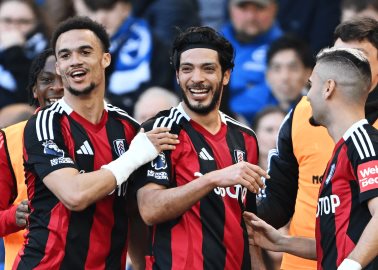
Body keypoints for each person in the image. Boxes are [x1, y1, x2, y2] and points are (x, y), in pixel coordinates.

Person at [12, 16, 178, 269]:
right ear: (58, 67)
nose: (75, 61)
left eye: (85, 51)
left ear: (106, 59)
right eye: (65, 56)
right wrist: (133, 157)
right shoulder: (45, 123)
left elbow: (133, 214)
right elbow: (75, 195)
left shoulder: (129, 129)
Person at [134, 26, 268, 270]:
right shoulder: (161, 130)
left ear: (225, 75)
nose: (197, 78)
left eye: (208, 68)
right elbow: (149, 209)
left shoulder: (245, 138)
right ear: (177, 76)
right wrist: (212, 179)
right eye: (187, 69)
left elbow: (248, 227)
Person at [256, 17, 378, 270]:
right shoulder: (305, 113)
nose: (341, 64)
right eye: (337, 55)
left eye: (357, 57)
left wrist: (352, 264)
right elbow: (277, 201)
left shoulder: (364, 140)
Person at [0, 48, 63, 270]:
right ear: (35, 90)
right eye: (47, 80)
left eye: (64, 78)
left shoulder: (108, 133)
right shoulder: (10, 139)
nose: (57, 87)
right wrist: (13, 217)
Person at [73, 0, 174, 115]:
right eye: (94, 10)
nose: (101, 17)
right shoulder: (80, 49)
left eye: (109, 9)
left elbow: (160, 91)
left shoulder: (151, 44)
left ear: (126, 8)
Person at [221, 0, 282, 121]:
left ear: (274, 9)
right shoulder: (210, 46)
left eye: (259, 8)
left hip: (272, 130)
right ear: (229, 8)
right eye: (243, 8)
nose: (251, 16)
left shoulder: (289, 50)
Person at [236, 34, 314, 123]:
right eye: (277, 68)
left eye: (293, 68)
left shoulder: (319, 107)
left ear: (308, 74)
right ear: (267, 75)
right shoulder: (246, 107)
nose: (284, 77)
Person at [0, 0, 49, 108]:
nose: (14, 27)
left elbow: (31, 98)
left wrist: (15, 52)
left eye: (23, 22)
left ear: (36, 23)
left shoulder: (48, 52)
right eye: (7, 21)